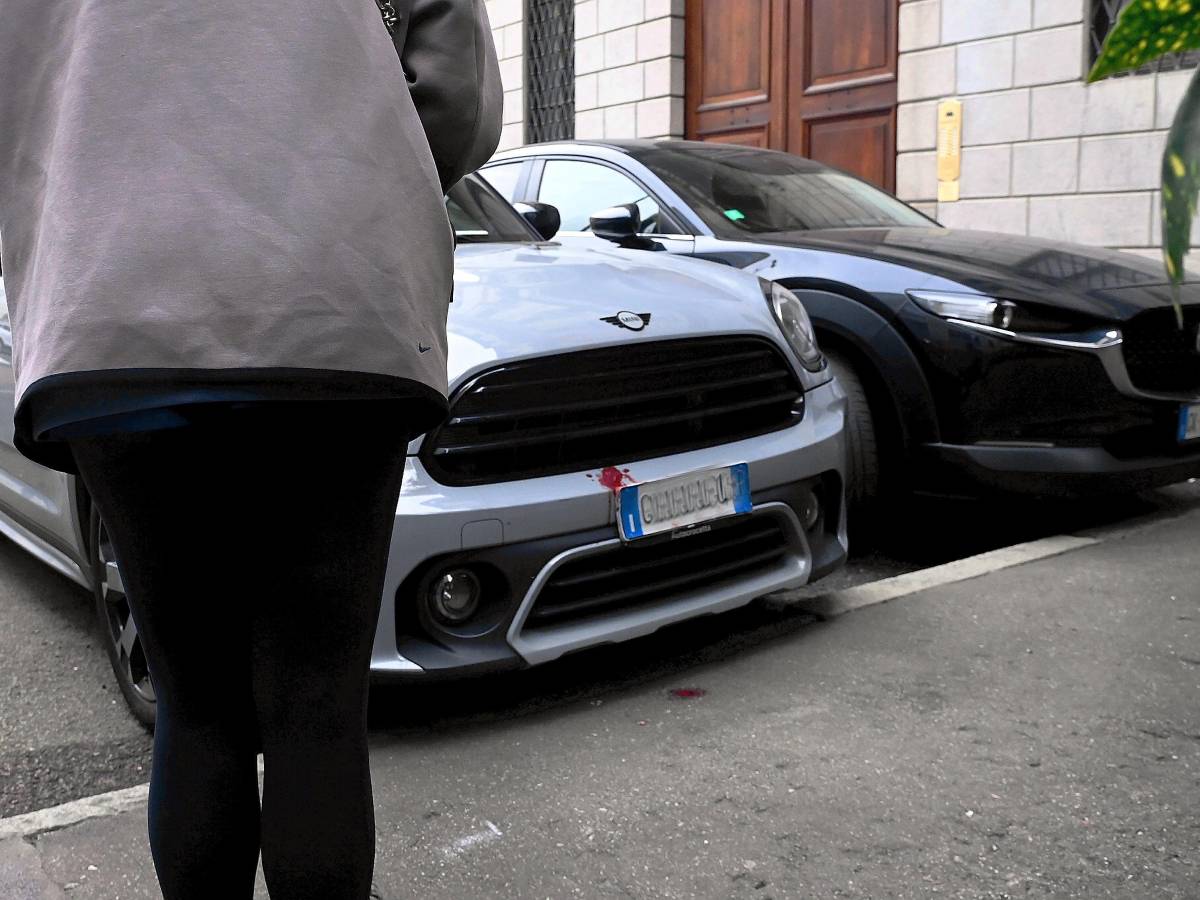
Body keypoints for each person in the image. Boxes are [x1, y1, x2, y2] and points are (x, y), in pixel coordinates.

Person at [0, 1, 501, 897]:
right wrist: (347, 176)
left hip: (112, 300)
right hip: (331, 291)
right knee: (316, 709)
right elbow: (455, 99)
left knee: (194, 707)